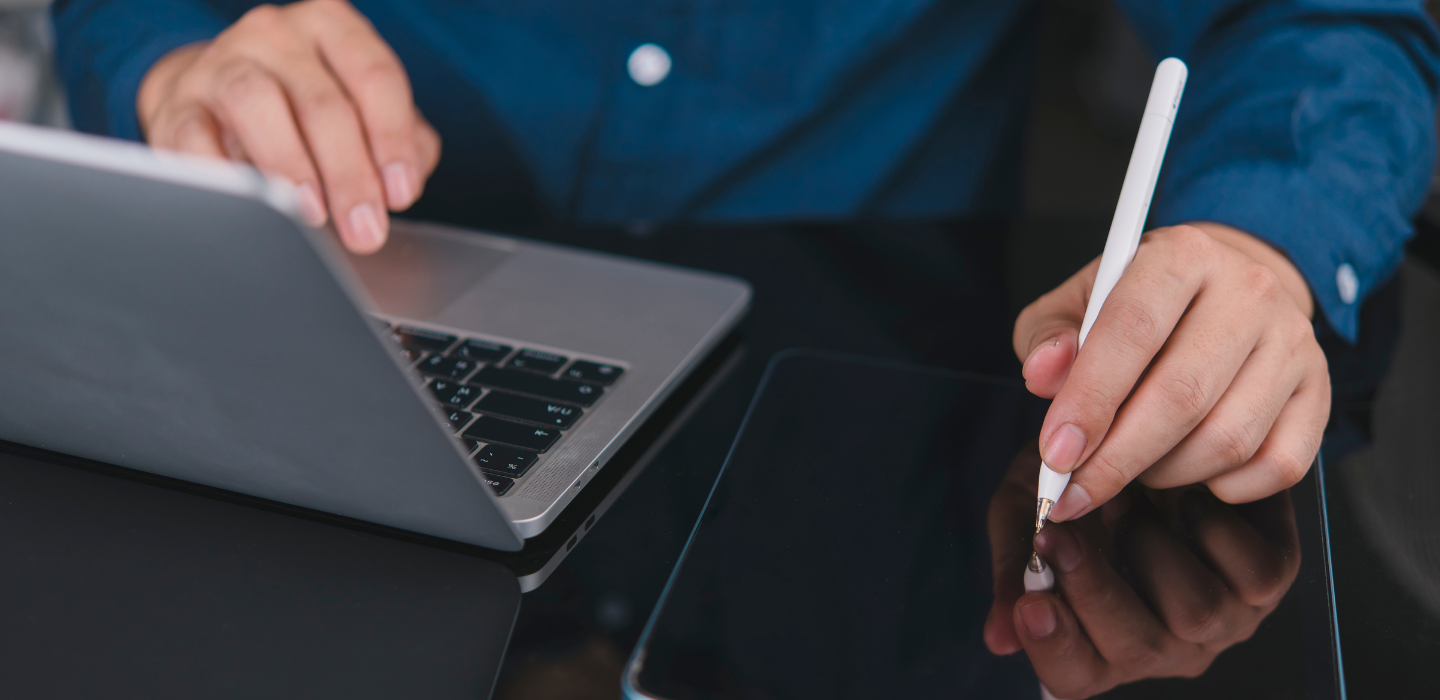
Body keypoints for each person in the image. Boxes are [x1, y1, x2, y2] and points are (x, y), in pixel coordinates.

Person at [51, 0, 1435, 635]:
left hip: (870, 457)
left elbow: (1324, 25)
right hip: (322, 355)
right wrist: (180, 52)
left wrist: (1264, 236)